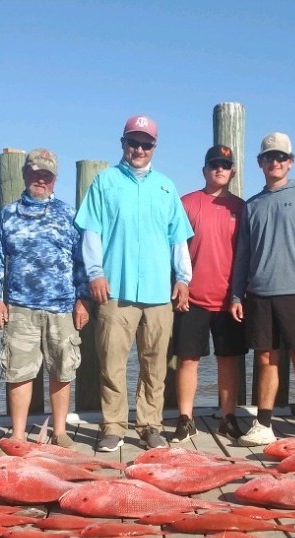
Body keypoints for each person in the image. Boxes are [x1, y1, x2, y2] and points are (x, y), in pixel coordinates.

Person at [74, 115, 193, 452]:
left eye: (146, 143)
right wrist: (95, 272)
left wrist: (183, 278)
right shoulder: (104, 182)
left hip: (158, 292)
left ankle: (150, 426)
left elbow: (177, 240)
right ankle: (112, 426)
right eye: (133, 141)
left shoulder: (167, 187)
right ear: (122, 143)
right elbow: (91, 232)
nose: (139, 148)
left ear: (155, 147)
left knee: (155, 365)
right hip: (115, 291)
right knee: (112, 363)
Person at [229, 132, 295, 446]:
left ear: (291, 161)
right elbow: (243, 254)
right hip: (259, 294)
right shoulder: (252, 205)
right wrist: (236, 293)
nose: (275, 162)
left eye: (281, 157)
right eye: (269, 157)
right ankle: (264, 423)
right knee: (265, 361)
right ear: (260, 162)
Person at [0, 148, 88, 450]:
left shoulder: (68, 214)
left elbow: (81, 261)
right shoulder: (8, 214)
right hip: (19, 307)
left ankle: (59, 430)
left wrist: (83, 300)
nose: (40, 179)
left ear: (55, 180)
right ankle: (18, 433)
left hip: (62, 308)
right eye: (35, 173)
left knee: (62, 369)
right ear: (25, 174)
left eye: (47, 175)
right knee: (19, 371)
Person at [170, 145, 247, 444]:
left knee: (229, 360)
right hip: (193, 298)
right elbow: (173, 249)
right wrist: (179, 283)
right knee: (188, 360)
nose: (219, 169)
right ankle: (185, 418)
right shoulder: (187, 203)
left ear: (232, 171)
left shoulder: (241, 208)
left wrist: (240, 294)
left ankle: (228, 417)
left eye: (225, 165)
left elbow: (246, 255)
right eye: (214, 164)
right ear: (204, 170)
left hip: (230, 300)